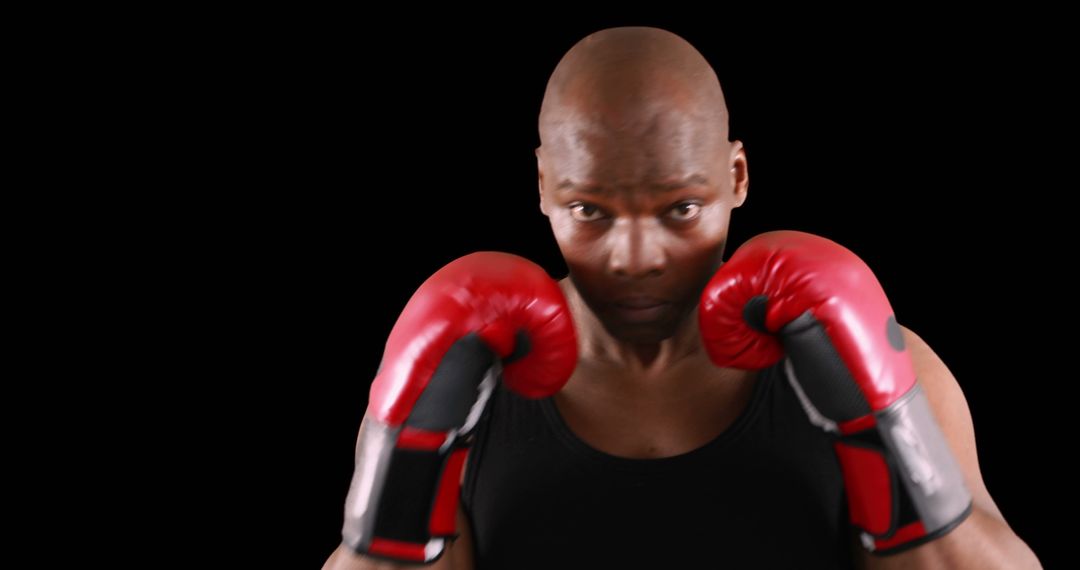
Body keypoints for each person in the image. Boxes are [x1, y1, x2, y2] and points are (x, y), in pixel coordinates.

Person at [324, 26, 1042, 569]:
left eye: (681, 208)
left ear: (736, 176)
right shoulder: (459, 372)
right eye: (590, 211)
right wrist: (404, 465)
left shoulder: (886, 356)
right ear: (544, 186)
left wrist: (887, 425)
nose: (637, 258)